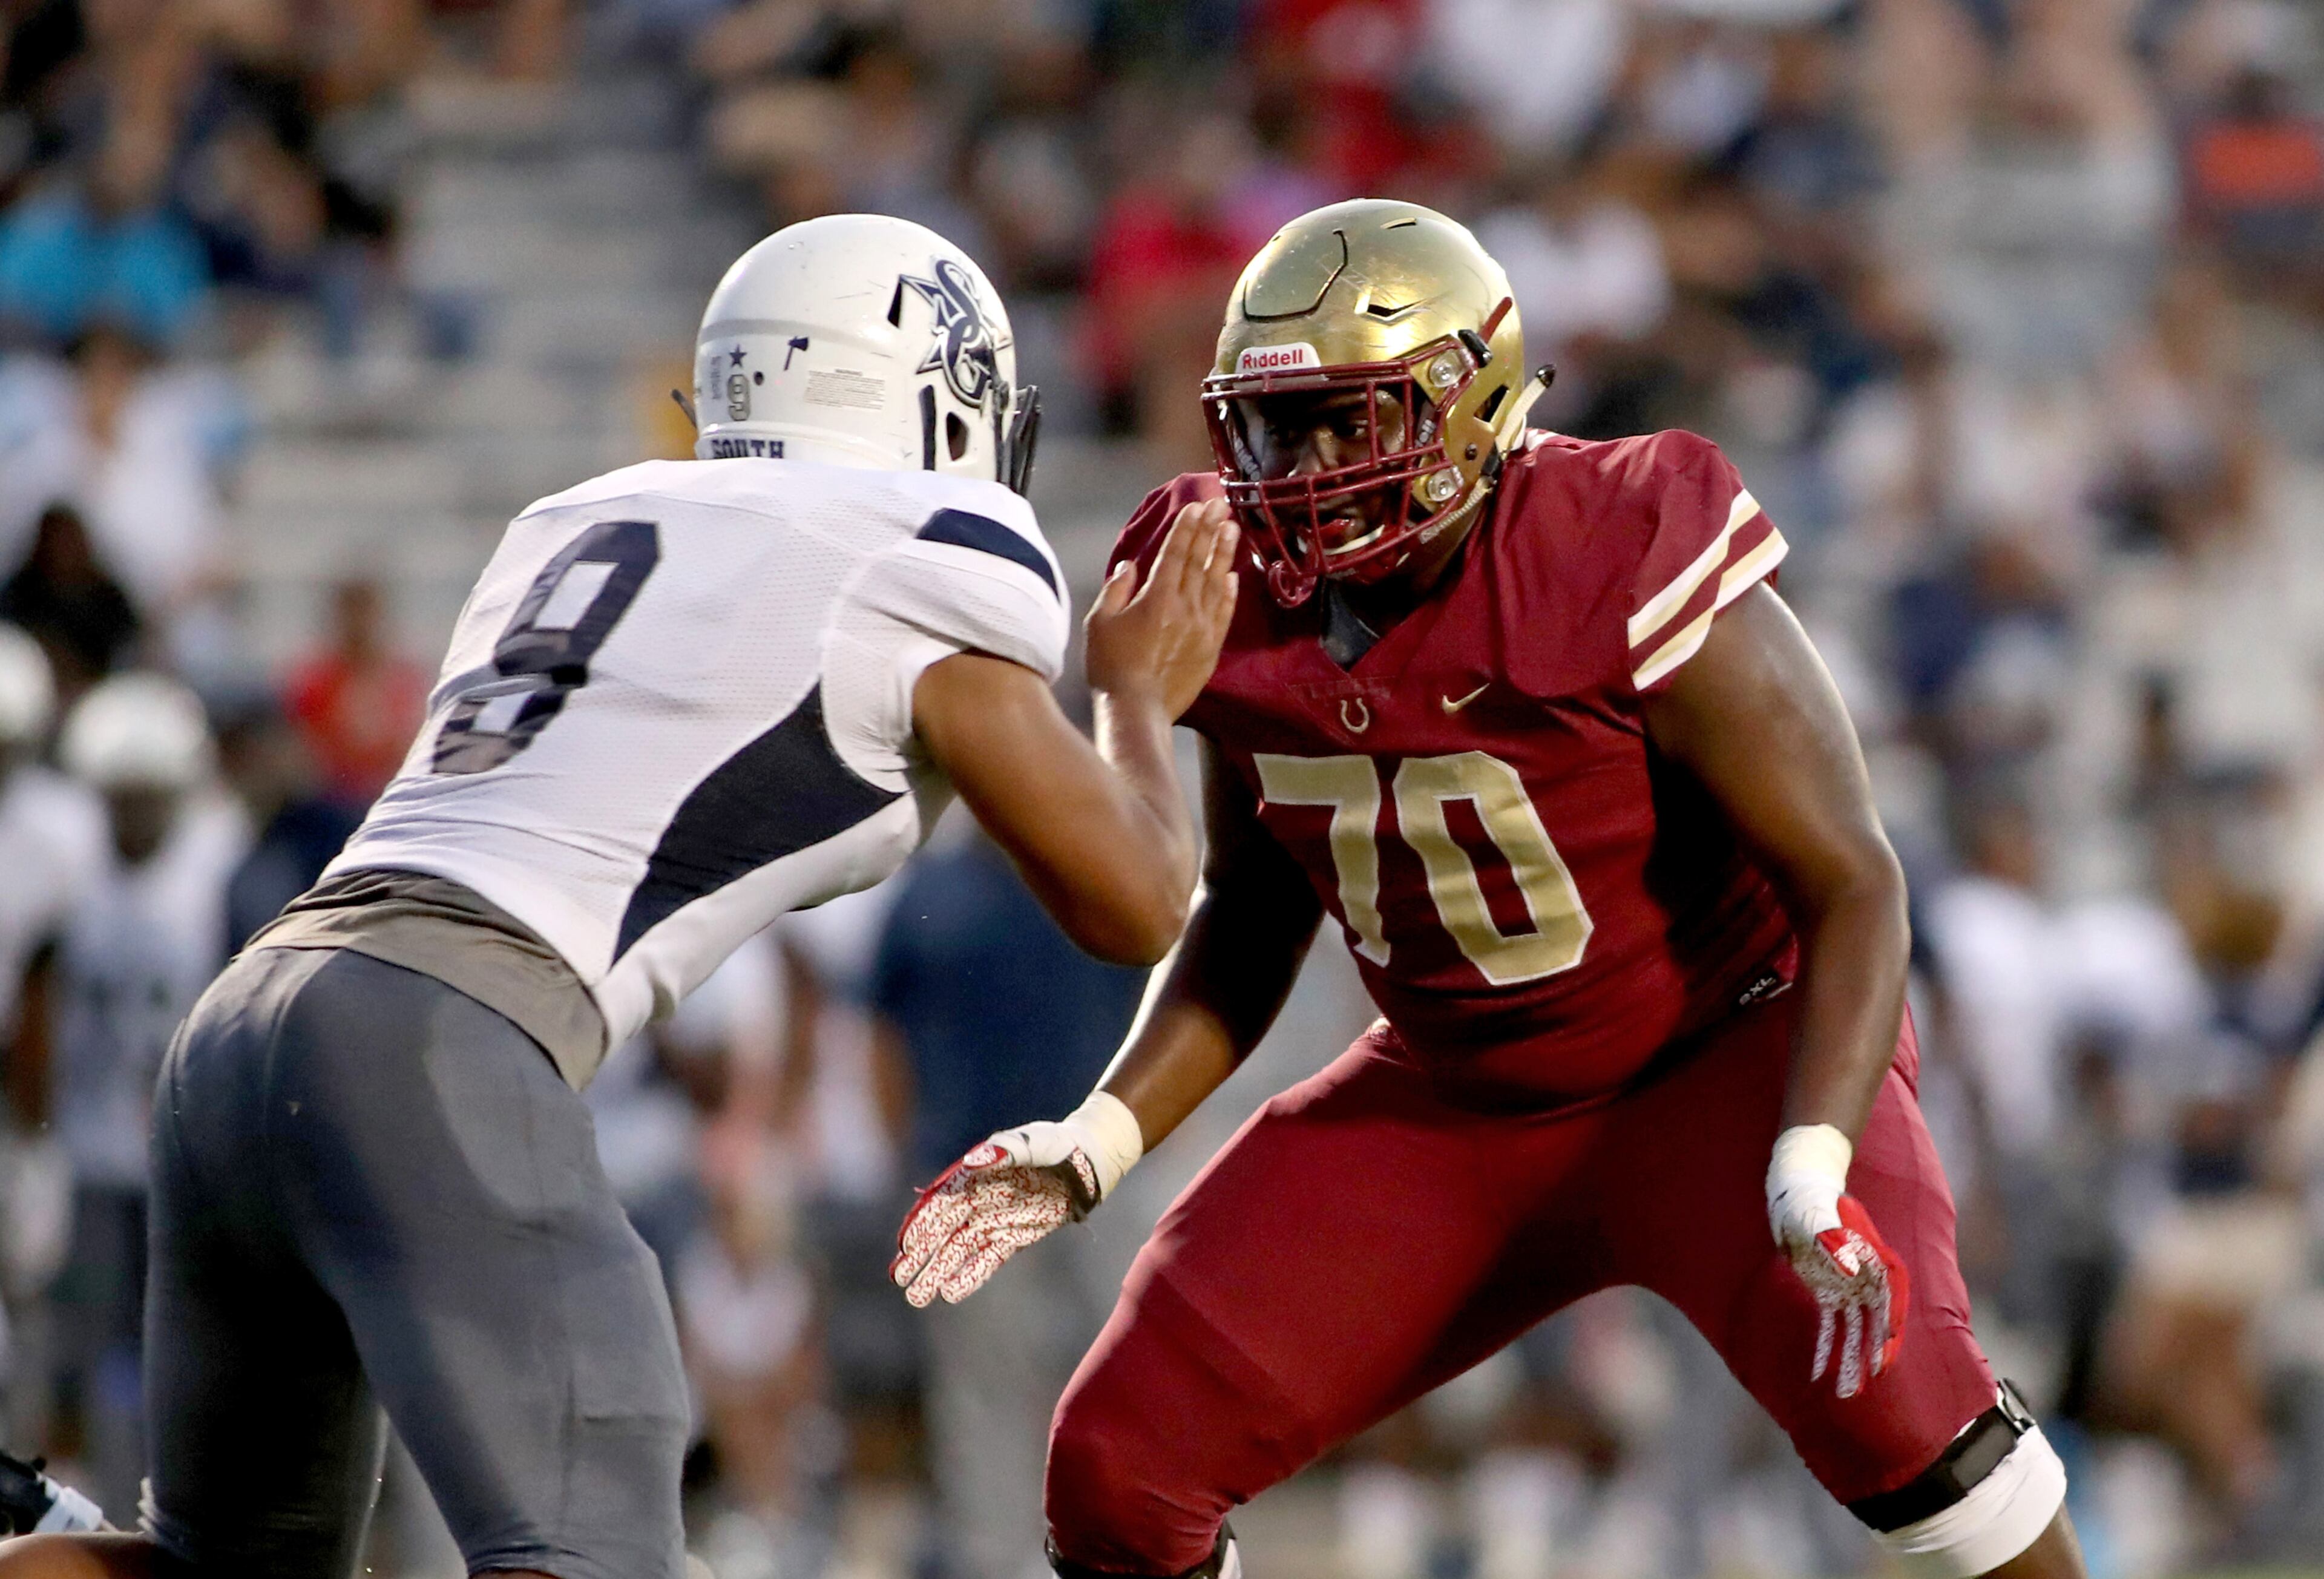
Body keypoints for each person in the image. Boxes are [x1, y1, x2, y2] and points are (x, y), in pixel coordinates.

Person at [0, 212, 1237, 1579]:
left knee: (202, 1569)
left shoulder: (575, 520)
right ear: (934, 403)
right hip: (440, 1035)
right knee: (592, 1554)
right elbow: (1137, 901)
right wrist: (1136, 693)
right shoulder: (918, 554)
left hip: (242, 1033)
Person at [894, 200, 2087, 1579]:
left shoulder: (1618, 534)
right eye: (1284, 429)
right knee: (1119, 1471)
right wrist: (1099, 1136)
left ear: (1471, 405)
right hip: (1455, 1102)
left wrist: (1813, 1154)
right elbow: (1250, 909)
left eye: (1355, 420)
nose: (1313, 469)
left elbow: (1855, 881)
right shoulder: (1220, 577)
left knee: (1923, 1441)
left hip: (1723, 1059)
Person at [46, 675, 246, 1515]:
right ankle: (94, 1508)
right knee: (91, 1348)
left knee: (182, 1346)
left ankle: (183, 1504)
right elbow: (37, 1001)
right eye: (118, 799)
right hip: (90, 1148)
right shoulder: (70, 871)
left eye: (149, 798)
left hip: (181, 1151)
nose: (132, 817)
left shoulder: (218, 873)